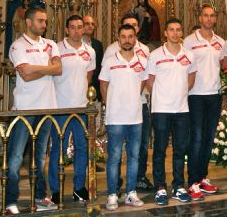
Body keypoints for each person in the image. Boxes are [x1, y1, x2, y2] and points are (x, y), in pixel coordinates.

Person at [6, 7, 61, 215]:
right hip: (24, 109)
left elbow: (59, 69)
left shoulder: (51, 44)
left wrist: (38, 69)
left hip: (46, 107)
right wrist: (47, 69)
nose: (44, 25)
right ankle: (11, 201)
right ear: (28, 22)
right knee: (16, 157)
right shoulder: (17, 46)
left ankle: (40, 196)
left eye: (45, 21)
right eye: (40, 21)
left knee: (39, 157)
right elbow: (25, 75)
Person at [147, 19, 196, 205]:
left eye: (178, 30)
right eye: (171, 30)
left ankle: (178, 186)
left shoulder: (189, 55)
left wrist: (180, 92)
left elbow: (191, 78)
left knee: (180, 150)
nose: (175, 33)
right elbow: (149, 81)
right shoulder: (155, 55)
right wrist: (162, 95)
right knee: (159, 149)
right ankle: (160, 187)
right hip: (161, 110)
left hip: (182, 109)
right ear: (165, 33)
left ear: (181, 32)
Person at [103, 14, 153, 192]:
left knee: (137, 152)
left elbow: (143, 81)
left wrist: (133, 97)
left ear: (136, 34)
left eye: (131, 35)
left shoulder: (144, 55)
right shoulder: (110, 54)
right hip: (116, 113)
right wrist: (111, 103)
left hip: (138, 110)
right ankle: (113, 189)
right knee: (115, 155)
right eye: (123, 36)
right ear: (119, 37)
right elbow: (104, 84)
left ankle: (135, 186)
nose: (127, 40)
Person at [49, 15, 95, 205]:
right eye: (73, 27)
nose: (77, 30)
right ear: (66, 30)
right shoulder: (57, 49)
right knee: (57, 150)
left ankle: (78, 188)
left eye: (80, 27)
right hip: (60, 106)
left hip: (82, 107)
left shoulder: (90, 51)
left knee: (82, 148)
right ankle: (55, 190)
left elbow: (88, 77)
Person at [183, 5, 225, 200]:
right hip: (196, 95)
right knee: (197, 138)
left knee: (209, 138)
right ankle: (192, 181)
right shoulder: (190, 41)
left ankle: (202, 178)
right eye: (205, 16)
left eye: (212, 16)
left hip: (214, 95)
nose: (209, 19)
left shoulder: (220, 42)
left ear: (215, 19)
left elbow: (224, 66)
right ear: (200, 18)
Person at [82, 15, 104, 101]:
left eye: (92, 24)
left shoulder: (98, 44)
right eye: (87, 24)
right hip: (80, 84)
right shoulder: (76, 44)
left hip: (95, 87)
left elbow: (99, 67)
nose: (90, 26)